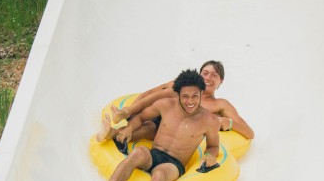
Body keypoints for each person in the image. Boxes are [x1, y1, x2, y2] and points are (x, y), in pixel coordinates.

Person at [94, 69, 220, 181]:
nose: (190, 101)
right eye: (185, 96)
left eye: (195, 96)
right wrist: (129, 129)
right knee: (138, 152)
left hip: (173, 164)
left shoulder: (209, 121)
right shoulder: (165, 105)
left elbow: (213, 146)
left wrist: (209, 155)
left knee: (159, 175)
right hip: (154, 153)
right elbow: (141, 117)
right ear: (178, 94)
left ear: (201, 93)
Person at [96, 61, 254, 145]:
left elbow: (249, 132)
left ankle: (112, 133)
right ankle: (124, 114)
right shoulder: (181, 85)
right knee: (173, 90)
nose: (208, 78)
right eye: (205, 73)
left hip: (171, 131)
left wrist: (229, 122)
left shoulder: (220, 104)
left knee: (152, 128)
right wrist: (130, 113)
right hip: (155, 113)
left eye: (214, 75)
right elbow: (149, 94)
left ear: (221, 81)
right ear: (199, 75)